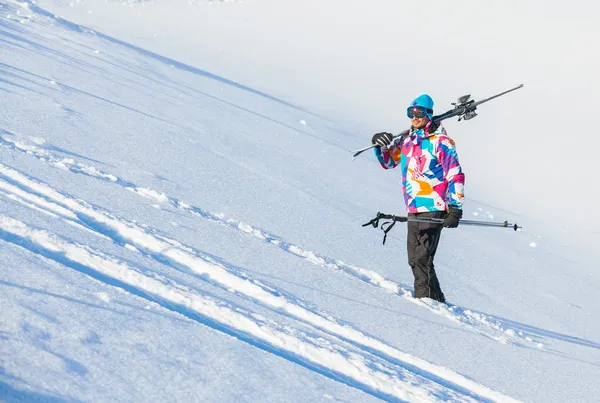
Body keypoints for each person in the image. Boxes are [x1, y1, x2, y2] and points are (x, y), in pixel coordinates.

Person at [370, 94, 465, 303]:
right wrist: (380, 145)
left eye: (419, 113)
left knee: (422, 258)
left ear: (428, 114)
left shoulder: (441, 142)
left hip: (435, 205)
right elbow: (388, 162)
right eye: (410, 113)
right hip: (413, 206)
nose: (414, 117)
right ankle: (437, 301)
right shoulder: (407, 141)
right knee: (415, 259)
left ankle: (425, 302)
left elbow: (455, 174)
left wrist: (456, 207)